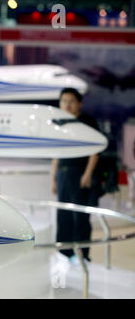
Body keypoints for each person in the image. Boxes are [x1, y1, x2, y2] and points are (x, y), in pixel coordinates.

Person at [51, 87, 101, 262]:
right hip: (63, 174)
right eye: (64, 101)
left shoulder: (87, 122)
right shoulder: (59, 123)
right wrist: (53, 178)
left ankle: (82, 254)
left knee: (81, 216)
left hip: (80, 173)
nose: (67, 105)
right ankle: (64, 252)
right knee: (63, 215)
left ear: (79, 103)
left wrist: (87, 175)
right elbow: (56, 153)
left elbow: (95, 152)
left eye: (71, 101)